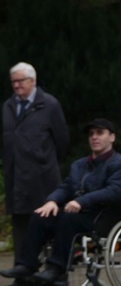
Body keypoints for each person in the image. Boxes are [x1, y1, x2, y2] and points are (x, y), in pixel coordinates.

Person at [0, 118, 121, 285]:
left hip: (105, 216)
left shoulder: (119, 164)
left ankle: (57, 270)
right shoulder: (79, 165)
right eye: (91, 134)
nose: (94, 137)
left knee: (68, 219)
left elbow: (116, 191)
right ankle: (26, 266)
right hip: (79, 213)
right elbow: (66, 187)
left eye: (100, 133)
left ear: (112, 137)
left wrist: (82, 201)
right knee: (40, 215)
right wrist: (52, 201)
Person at [2, 62, 69, 286]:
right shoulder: (8, 106)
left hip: (43, 179)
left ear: (33, 81)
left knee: (48, 224)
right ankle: (24, 277)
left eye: (21, 81)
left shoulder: (49, 104)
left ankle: (56, 275)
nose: (17, 85)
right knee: (21, 225)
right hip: (16, 179)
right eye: (13, 81)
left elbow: (62, 141)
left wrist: (43, 161)